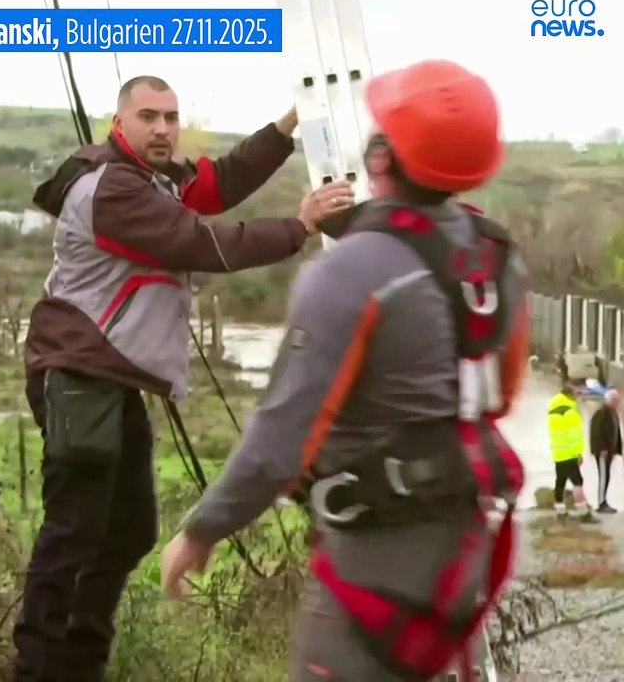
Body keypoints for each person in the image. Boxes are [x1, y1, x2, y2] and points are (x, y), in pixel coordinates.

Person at [159, 59, 532, 681]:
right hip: (468, 546)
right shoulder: (497, 261)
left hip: (379, 560)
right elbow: (500, 393)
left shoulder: (353, 271)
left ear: (381, 159)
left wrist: (203, 530)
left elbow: (282, 437)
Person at [14, 74, 353, 682]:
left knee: (128, 529)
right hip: (77, 373)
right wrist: (299, 226)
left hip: (109, 379)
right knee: (74, 532)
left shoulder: (151, 178)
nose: (164, 128)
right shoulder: (112, 188)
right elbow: (200, 244)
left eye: (171, 116)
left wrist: (285, 128)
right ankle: (40, 669)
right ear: (121, 122)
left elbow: (217, 185)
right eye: (149, 117)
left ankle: (79, 663)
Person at [547, 381, 597, 522]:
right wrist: (578, 453)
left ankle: (560, 511)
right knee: (577, 482)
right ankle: (583, 512)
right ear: (569, 396)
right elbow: (575, 437)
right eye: (576, 394)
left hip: (558, 453)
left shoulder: (553, 411)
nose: (578, 397)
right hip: (570, 454)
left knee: (560, 481)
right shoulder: (570, 413)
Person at [589, 387, 624, 514]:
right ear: (609, 400)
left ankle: (604, 501)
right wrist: (601, 448)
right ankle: (601, 503)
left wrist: (617, 450)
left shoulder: (613, 413)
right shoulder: (601, 413)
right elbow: (596, 432)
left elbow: (616, 433)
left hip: (610, 452)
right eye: (615, 400)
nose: (617, 403)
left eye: (618, 400)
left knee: (607, 476)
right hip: (602, 452)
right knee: (603, 476)